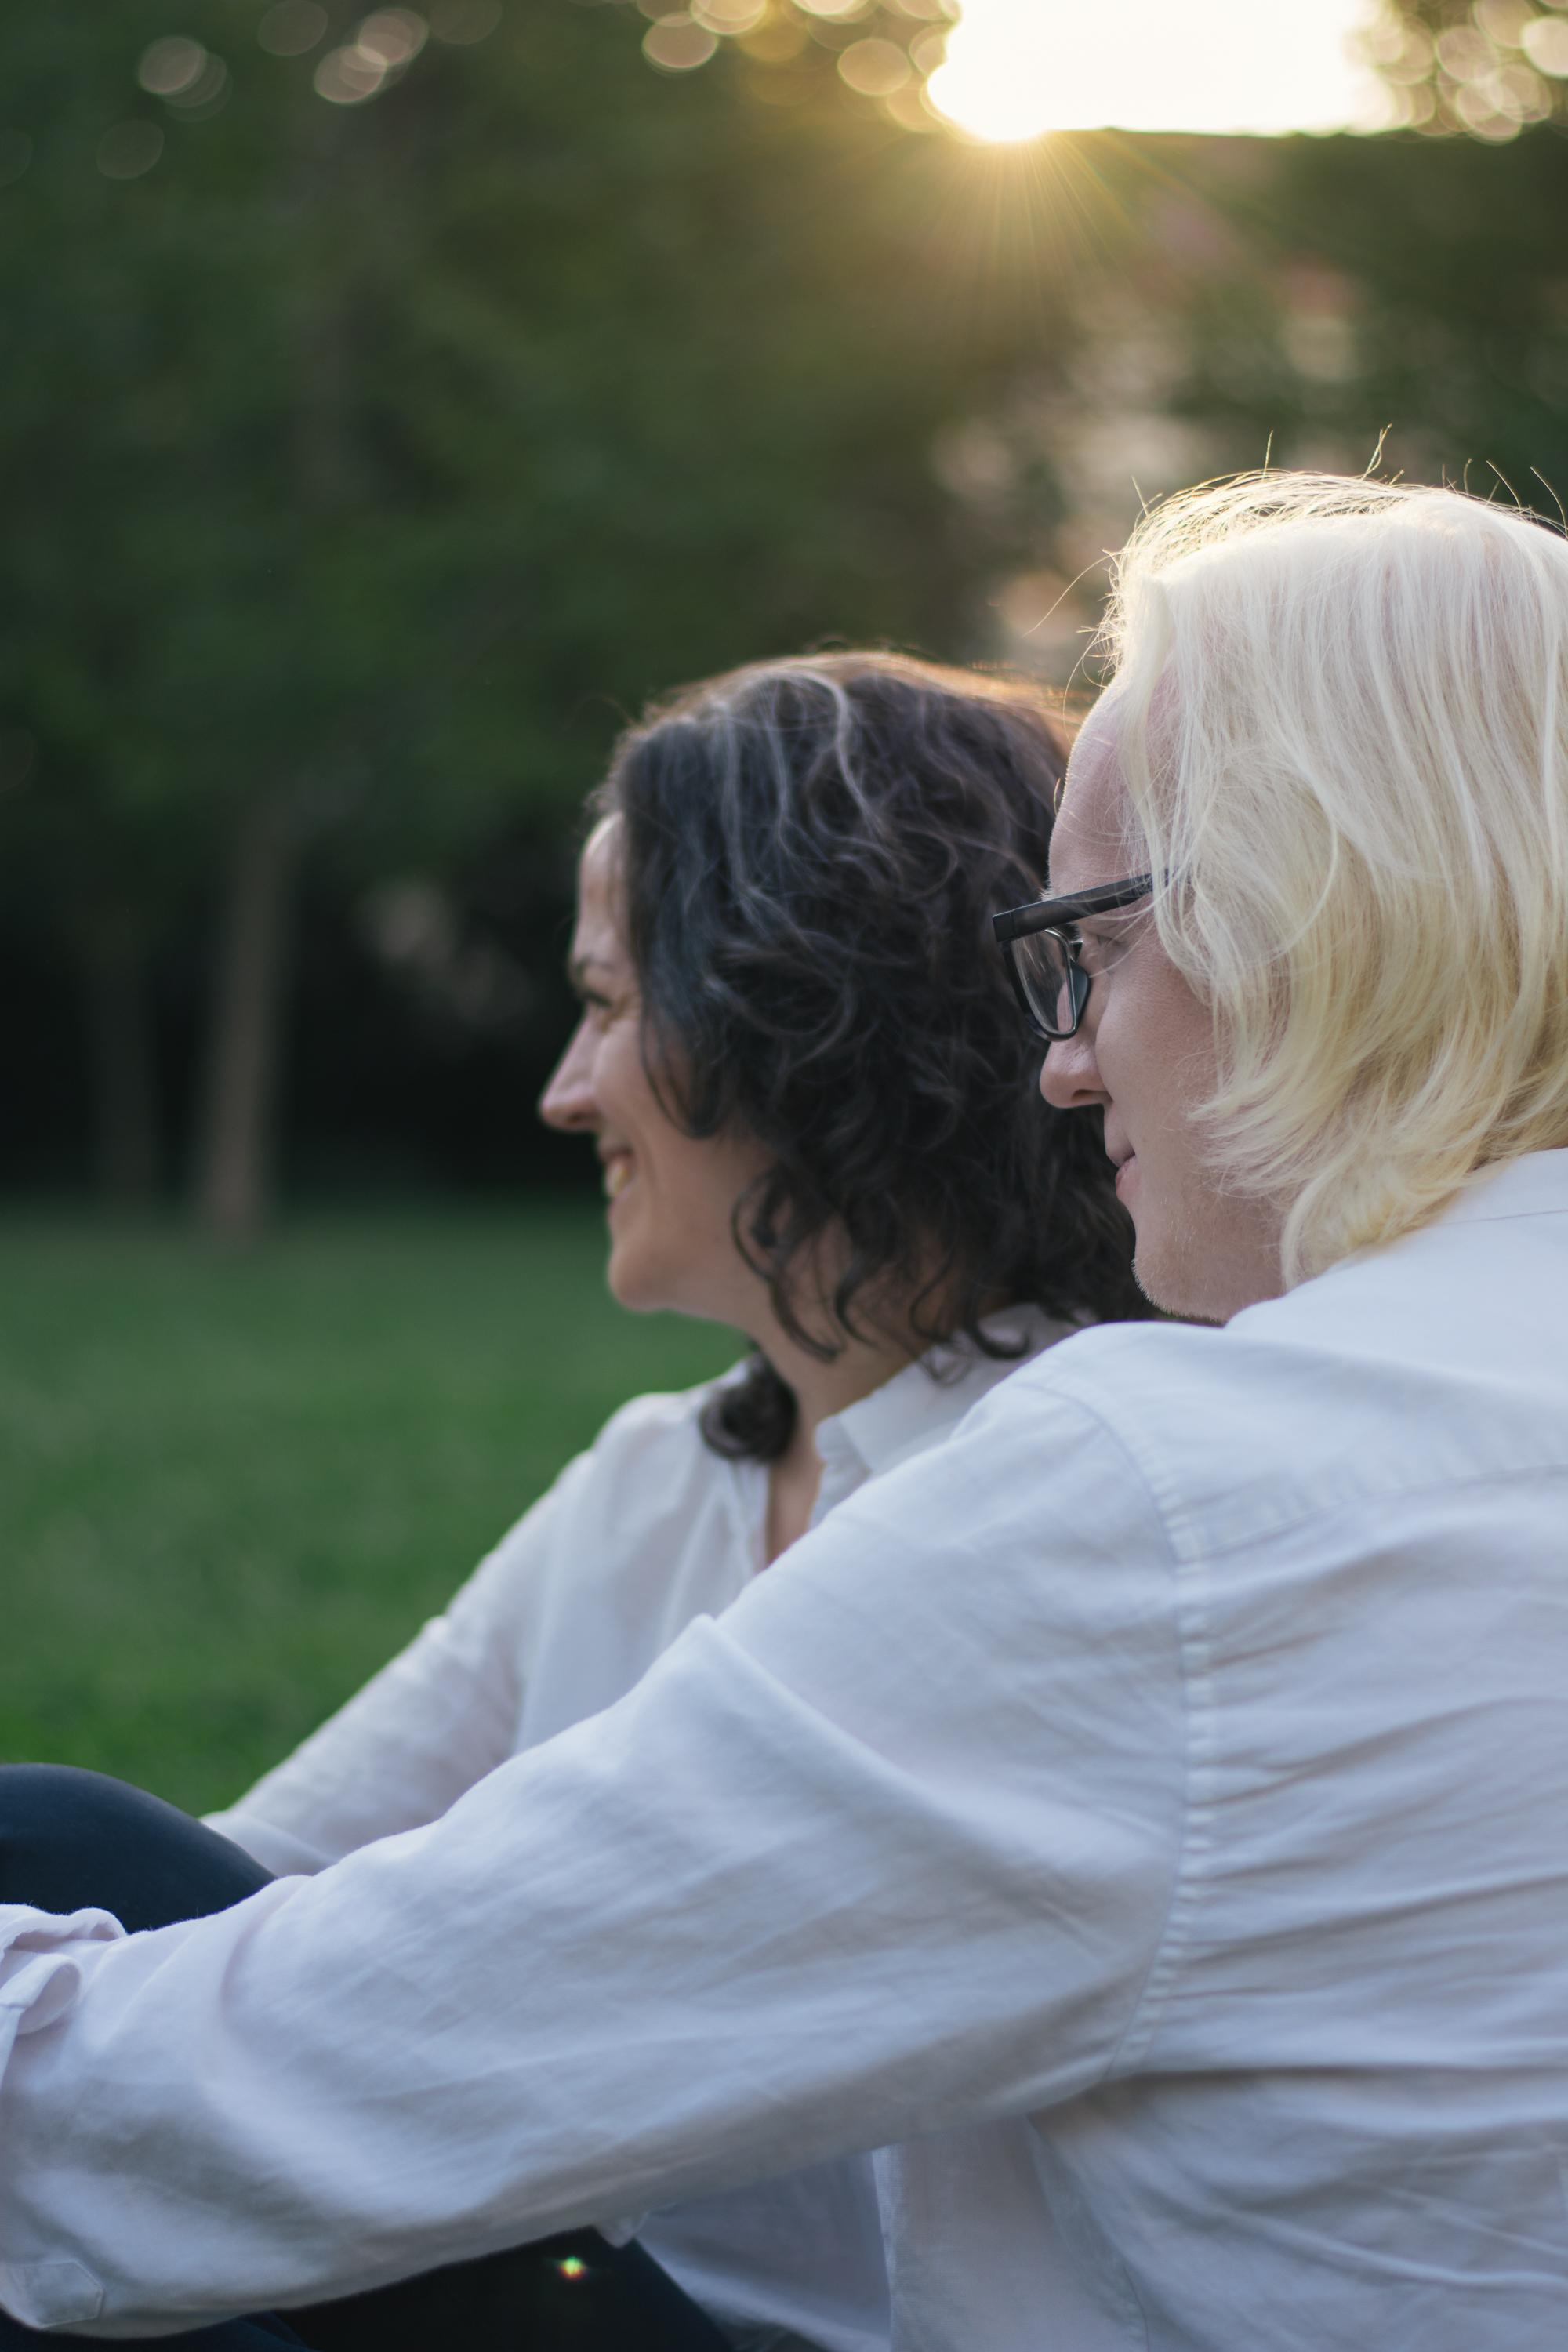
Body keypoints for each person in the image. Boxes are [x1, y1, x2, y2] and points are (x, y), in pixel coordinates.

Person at [2, 470, 1566, 2352]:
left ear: (1316, 901)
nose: (1057, 1061)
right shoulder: (697, 1478)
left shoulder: (1174, 1499)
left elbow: (243, 2096)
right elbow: (282, 1889)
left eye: (1093, 948)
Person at [0, 652, 1141, 2352]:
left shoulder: (1074, 1489)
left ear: (791, 1015)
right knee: (62, 1897)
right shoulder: (658, 1483)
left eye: (611, 1007)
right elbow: (262, 1884)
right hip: (569, 2286)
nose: (561, 1088)